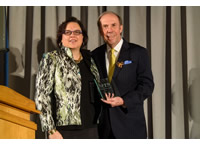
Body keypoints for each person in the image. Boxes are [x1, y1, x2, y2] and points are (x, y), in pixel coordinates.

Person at [35, 17, 101, 139]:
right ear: (61, 38)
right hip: (64, 131)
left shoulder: (90, 59)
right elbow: (42, 97)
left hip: (92, 128)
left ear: (83, 37)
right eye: (68, 32)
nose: (73, 35)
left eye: (77, 32)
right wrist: (51, 130)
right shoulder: (51, 58)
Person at [92, 11, 154, 139]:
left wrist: (124, 100)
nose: (109, 30)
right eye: (105, 26)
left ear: (120, 28)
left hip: (130, 125)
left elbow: (147, 86)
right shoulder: (95, 55)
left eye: (113, 25)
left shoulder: (138, 52)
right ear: (100, 30)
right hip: (103, 128)